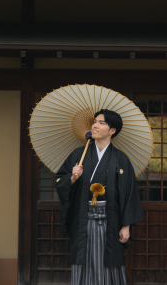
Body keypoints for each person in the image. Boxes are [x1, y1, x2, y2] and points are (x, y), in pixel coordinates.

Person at [55, 109, 144, 285]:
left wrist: (126, 226)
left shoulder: (121, 159)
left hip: (110, 220)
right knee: (83, 261)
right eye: (95, 121)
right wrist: (72, 178)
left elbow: (129, 193)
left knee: (109, 263)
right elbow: (60, 181)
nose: (95, 125)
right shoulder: (78, 155)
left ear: (112, 130)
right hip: (83, 218)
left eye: (101, 123)